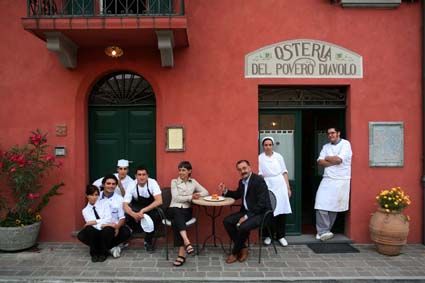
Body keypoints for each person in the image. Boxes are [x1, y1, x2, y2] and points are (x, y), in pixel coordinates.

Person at [219, 160, 271, 264]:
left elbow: (261, 204)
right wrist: (225, 191)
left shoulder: (258, 181)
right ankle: (243, 248)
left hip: (260, 214)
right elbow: (237, 194)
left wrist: (247, 217)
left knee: (243, 226)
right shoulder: (242, 182)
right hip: (247, 211)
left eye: (244, 168)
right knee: (227, 221)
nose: (242, 171)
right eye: (240, 169)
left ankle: (234, 252)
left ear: (249, 167)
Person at [167, 161, 209, 267]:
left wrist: (196, 194)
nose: (181, 172)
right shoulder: (174, 182)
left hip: (186, 211)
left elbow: (206, 192)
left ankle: (182, 253)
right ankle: (186, 242)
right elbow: (176, 198)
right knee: (176, 212)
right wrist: (190, 197)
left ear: (189, 171)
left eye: (183, 170)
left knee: (177, 221)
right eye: (180, 170)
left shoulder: (193, 182)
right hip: (172, 209)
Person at [314, 127, 352, 241]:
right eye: (329, 133)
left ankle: (325, 231)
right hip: (327, 178)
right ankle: (323, 231)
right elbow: (319, 162)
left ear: (338, 133)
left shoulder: (345, 144)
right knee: (320, 203)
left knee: (334, 206)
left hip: (341, 179)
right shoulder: (326, 146)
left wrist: (327, 158)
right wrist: (332, 160)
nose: (330, 135)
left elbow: (339, 160)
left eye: (333, 133)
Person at [258, 136, 292, 247]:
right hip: (268, 185)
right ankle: (269, 236)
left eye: (270, 145)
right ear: (263, 146)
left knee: (281, 211)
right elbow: (260, 175)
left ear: (273, 146)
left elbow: (284, 172)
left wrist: (287, 187)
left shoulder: (279, 157)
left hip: (280, 184)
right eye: (266, 145)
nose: (268, 147)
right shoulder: (260, 158)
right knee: (269, 211)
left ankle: (281, 236)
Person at [123, 166, 162, 252]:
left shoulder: (152, 183)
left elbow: (159, 201)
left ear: (147, 175)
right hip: (137, 208)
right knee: (127, 216)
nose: (141, 177)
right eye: (139, 175)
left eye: (144, 174)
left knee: (155, 217)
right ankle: (128, 235)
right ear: (135, 176)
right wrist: (133, 214)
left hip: (151, 207)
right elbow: (125, 204)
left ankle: (148, 241)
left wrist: (144, 211)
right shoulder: (132, 185)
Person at [77, 185, 115, 262]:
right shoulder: (85, 210)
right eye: (91, 195)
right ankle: (94, 254)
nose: (94, 197)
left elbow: (109, 218)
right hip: (95, 231)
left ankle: (103, 253)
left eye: (96, 195)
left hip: (105, 229)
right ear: (87, 196)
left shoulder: (104, 203)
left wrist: (95, 221)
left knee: (107, 230)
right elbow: (91, 224)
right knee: (89, 229)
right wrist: (101, 223)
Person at [99, 174, 132, 258]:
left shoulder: (120, 199)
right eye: (108, 183)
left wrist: (117, 227)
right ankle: (111, 248)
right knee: (105, 231)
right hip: (100, 226)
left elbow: (122, 217)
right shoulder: (96, 197)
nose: (111, 186)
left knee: (126, 232)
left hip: (115, 227)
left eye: (113, 184)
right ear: (103, 185)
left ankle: (105, 247)